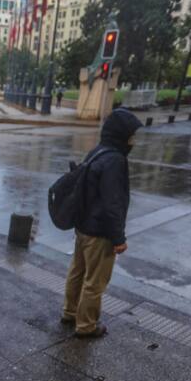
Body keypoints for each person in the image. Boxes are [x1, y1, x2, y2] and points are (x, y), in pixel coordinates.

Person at [62, 108, 143, 338]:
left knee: (77, 272)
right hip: (99, 232)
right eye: (131, 135)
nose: (133, 140)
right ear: (121, 135)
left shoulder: (96, 152)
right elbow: (112, 203)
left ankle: (69, 312)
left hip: (83, 227)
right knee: (95, 282)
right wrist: (118, 238)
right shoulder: (115, 160)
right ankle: (86, 325)